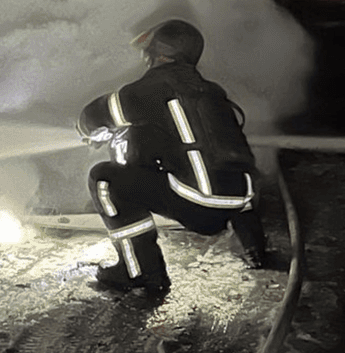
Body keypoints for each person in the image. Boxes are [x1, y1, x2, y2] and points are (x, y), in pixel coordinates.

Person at [76, 19, 267, 300]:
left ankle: (140, 272)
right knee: (207, 161)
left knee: (104, 179)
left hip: (198, 203)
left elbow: (94, 115)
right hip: (239, 203)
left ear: (160, 53)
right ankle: (255, 250)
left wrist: (89, 132)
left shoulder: (155, 86)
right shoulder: (211, 91)